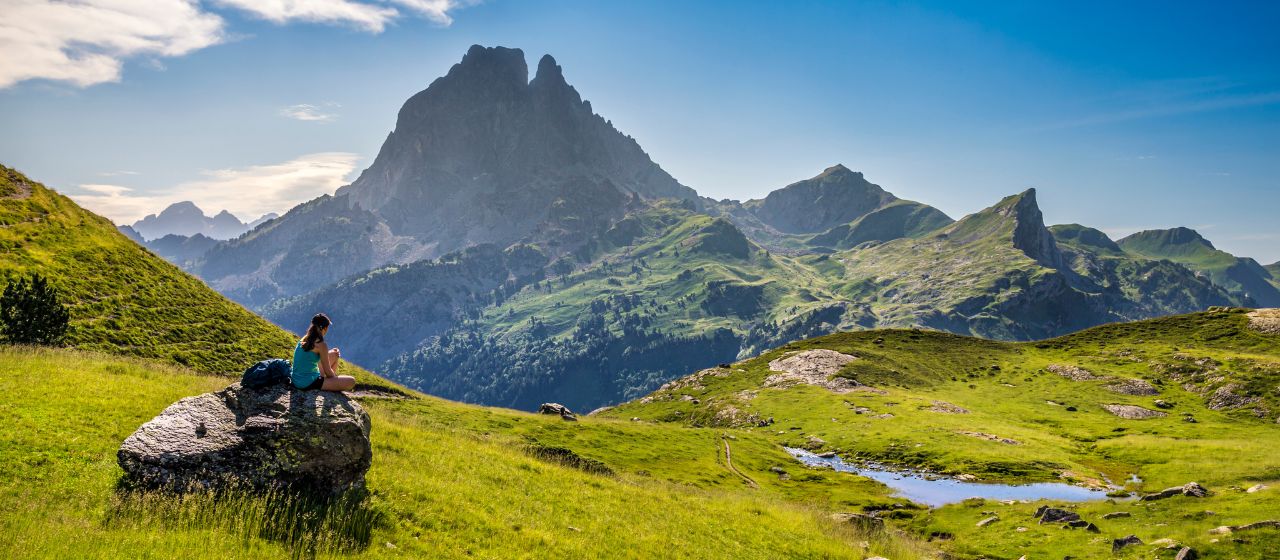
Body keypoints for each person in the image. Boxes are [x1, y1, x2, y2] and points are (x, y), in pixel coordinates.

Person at [291, 313, 355, 391]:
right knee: (351, 381)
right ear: (324, 329)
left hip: (296, 379)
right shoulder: (321, 345)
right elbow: (328, 372)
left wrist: (332, 354)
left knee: (334, 354)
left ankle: (330, 382)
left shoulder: (305, 338)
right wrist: (335, 379)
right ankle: (330, 384)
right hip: (307, 383)